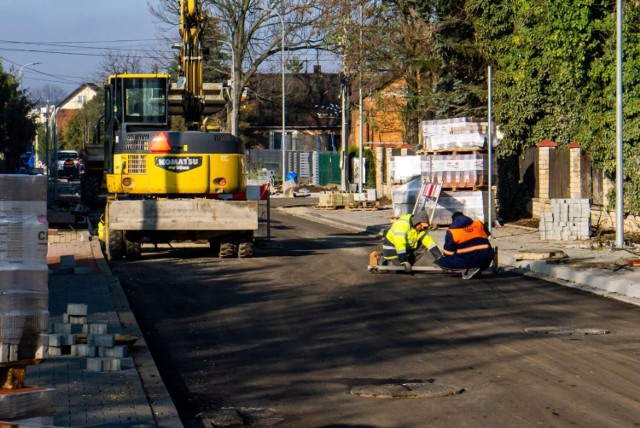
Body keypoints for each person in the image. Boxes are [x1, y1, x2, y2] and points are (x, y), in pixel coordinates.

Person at [435, 211, 494, 279]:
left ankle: (467, 270)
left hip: (469, 259)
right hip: (487, 258)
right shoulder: (479, 223)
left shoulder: (452, 231)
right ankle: (476, 268)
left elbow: (448, 251)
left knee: (441, 262)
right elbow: (487, 235)